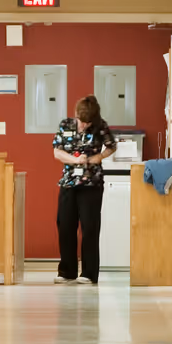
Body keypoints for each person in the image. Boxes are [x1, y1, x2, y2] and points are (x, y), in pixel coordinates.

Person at [52, 95, 117, 285]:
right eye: (81, 121)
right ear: (76, 115)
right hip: (68, 183)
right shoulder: (66, 125)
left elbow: (112, 146)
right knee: (65, 225)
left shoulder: (101, 126)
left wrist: (100, 157)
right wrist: (75, 160)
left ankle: (89, 273)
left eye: (87, 123)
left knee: (89, 228)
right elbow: (57, 152)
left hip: (92, 184)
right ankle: (67, 271)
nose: (83, 126)